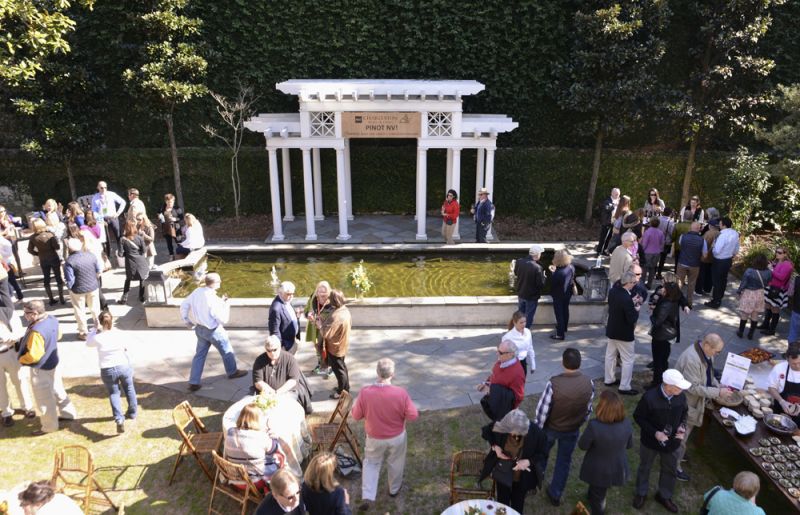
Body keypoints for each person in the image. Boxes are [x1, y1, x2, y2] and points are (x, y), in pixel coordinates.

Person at [352, 358, 418, 510]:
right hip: (397, 437)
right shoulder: (401, 393)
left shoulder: (365, 392)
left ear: (377, 372)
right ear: (392, 374)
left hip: (374, 437)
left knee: (371, 464)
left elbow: (355, 416)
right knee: (396, 462)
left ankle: (368, 494)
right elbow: (413, 416)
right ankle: (393, 490)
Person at [534, 347, 594, 507]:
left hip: (551, 429)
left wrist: (539, 429)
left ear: (563, 362)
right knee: (564, 461)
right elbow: (588, 409)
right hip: (572, 429)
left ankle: (535, 481)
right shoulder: (589, 382)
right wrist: (580, 423)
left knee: (541, 455)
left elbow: (542, 410)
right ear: (580, 363)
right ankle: (556, 492)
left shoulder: (554, 383)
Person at [674, 334, 731, 481]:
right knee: (682, 432)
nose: (717, 354)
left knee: (684, 433)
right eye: (717, 351)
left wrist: (719, 385)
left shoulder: (706, 353)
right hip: (686, 402)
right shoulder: (692, 359)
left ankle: (679, 451)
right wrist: (717, 392)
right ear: (706, 345)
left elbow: (709, 375)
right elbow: (693, 387)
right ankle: (674, 466)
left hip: (694, 401)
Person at [632, 369, 690, 513]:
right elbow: (638, 417)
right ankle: (641, 492)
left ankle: (664, 495)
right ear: (667, 385)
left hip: (672, 443)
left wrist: (682, 428)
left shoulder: (680, 397)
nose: (681, 389)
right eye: (678, 386)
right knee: (645, 467)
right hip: (650, 442)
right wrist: (655, 433)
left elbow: (684, 413)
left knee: (670, 469)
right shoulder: (649, 398)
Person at [179, 272, 248, 391]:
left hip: (200, 329)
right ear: (215, 283)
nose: (220, 283)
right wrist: (226, 304)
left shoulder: (197, 292)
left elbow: (184, 305)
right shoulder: (213, 299)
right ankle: (232, 372)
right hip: (213, 331)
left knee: (199, 355)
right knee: (227, 351)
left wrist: (187, 321)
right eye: (219, 281)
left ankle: (194, 381)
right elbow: (223, 319)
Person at [17, 300, 78, 435]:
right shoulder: (52, 319)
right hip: (53, 362)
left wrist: (21, 359)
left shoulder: (36, 331)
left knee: (44, 399)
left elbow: (34, 356)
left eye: (26, 313)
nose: (25, 316)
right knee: (58, 390)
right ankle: (68, 413)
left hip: (41, 369)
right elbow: (59, 335)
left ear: (34, 313)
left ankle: (49, 426)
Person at [478, 409, 547, 514]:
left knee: (517, 505)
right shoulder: (502, 425)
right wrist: (495, 446)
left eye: (517, 433)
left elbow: (543, 453)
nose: (513, 435)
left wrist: (528, 461)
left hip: (521, 477)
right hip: (503, 472)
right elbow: (486, 431)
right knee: (502, 503)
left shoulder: (537, 433)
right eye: (510, 431)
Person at [578, 390, 633, 515]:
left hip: (598, 469)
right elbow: (629, 445)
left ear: (602, 408)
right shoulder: (627, 424)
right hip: (617, 466)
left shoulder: (594, 426)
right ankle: (591, 496)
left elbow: (582, 446)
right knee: (597, 491)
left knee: (599, 498)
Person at [86, 311, 137, 434]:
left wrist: (94, 329)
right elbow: (127, 347)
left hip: (107, 369)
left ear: (99, 321)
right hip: (123, 365)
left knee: (114, 393)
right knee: (129, 388)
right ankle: (133, 412)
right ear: (112, 320)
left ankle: (119, 419)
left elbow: (88, 343)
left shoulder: (97, 337)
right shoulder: (119, 334)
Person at [224, 403, 283, 493]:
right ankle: (270, 488)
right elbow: (274, 447)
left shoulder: (230, 432)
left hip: (234, 478)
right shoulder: (259, 437)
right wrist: (271, 432)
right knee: (279, 457)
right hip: (255, 482)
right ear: (257, 420)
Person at [251, 335, 313, 414]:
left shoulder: (290, 358)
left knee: (282, 409)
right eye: (269, 350)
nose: (272, 353)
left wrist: (278, 393)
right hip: (265, 393)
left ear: (280, 347)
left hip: (287, 392)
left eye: (274, 350)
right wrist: (271, 392)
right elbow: (258, 382)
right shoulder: (259, 360)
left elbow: (293, 380)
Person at [0, 288, 34, 426]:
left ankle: (27, 406)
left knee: (20, 381)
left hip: (10, 352)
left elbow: (21, 333)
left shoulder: (9, 313)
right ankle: (6, 412)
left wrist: (8, 338)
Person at [605, 271, 642, 395]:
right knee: (628, 360)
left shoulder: (613, 291)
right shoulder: (626, 298)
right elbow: (632, 319)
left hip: (612, 329)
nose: (634, 285)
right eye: (634, 283)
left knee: (610, 356)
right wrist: (636, 309)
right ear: (629, 283)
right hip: (624, 334)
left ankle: (609, 379)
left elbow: (615, 306)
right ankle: (624, 386)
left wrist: (630, 304)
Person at [477, 339, 525, 421]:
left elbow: (518, 397)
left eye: (500, 353)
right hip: (495, 401)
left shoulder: (517, 374)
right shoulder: (501, 361)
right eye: (498, 350)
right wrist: (485, 384)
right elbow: (494, 375)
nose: (497, 354)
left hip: (505, 412)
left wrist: (492, 390)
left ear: (511, 354)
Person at [63, 238, 101, 341]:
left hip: (78, 289)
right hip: (93, 286)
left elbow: (70, 280)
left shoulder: (69, 261)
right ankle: (99, 326)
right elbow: (98, 271)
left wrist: (69, 288)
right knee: (95, 308)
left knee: (80, 310)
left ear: (69, 249)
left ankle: (83, 332)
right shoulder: (91, 256)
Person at [649, 282, 682, 388]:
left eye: (664, 288)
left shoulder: (666, 304)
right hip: (668, 334)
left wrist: (652, 316)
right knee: (663, 359)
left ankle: (656, 383)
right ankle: (663, 380)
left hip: (661, 336)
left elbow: (658, 321)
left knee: (658, 361)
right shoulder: (674, 301)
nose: (662, 289)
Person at [27, 218, 65, 306]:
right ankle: (62, 298)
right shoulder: (49, 235)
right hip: (53, 257)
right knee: (58, 277)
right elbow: (57, 247)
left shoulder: (33, 237)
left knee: (46, 279)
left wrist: (38, 253)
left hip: (43, 259)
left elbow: (30, 250)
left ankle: (51, 299)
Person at [321, 289, 351, 399]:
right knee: (342, 367)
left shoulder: (336, 316)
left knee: (339, 371)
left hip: (336, 347)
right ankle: (346, 387)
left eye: (330, 298)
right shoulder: (344, 310)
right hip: (343, 344)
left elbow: (326, 334)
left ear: (333, 300)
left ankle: (341, 392)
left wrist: (320, 324)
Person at [706, 217, 739, 309]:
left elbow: (717, 250)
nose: (719, 225)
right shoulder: (735, 233)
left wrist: (713, 250)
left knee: (717, 281)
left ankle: (715, 301)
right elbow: (736, 248)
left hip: (719, 260)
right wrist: (732, 253)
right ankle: (719, 297)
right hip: (728, 259)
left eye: (720, 223)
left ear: (723, 225)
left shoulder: (722, 235)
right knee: (723, 280)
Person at [735, 253, 771, 339]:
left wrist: (739, 292)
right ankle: (751, 334)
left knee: (744, 314)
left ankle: (741, 331)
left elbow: (744, 283)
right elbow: (767, 283)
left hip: (749, 293)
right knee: (755, 314)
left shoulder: (749, 271)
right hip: (760, 293)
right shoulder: (768, 272)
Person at [761, 245, 794, 336]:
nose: (777, 254)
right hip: (771, 287)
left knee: (775, 309)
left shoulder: (787, 265)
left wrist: (772, 269)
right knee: (767, 305)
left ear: (785, 254)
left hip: (778, 290)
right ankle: (765, 324)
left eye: (779, 253)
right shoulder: (777, 261)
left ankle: (772, 329)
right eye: (776, 252)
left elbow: (781, 277)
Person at [767, 342, 800, 427]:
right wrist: (781, 401)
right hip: (779, 413)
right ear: (787, 360)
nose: (797, 366)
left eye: (799, 362)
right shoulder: (780, 368)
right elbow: (771, 387)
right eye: (793, 364)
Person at [305, 280, 334, 377]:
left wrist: (322, 319)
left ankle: (329, 366)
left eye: (324, 294)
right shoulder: (313, 297)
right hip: (315, 328)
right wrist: (308, 314)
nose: (321, 296)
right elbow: (306, 310)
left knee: (328, 347)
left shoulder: (332, 300)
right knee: (317, 346)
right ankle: (320, 364)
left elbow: (336, 315)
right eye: (319, 293)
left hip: (326, 329)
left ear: (329, 293)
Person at [675, 220, 707, 309]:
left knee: (679, 282)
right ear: (699, 229)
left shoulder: (683, 237)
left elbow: (681, 245)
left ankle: (676, 300)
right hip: (695, 265)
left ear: (691, 228)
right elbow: (705, 255)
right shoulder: (702, 240)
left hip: (682, 263)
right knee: (691, 284)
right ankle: (689, 303)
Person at [513, 244, 545, 328]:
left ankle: (518, 329)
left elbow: (516, 273)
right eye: (540, 253)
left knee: (520, 314)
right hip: (531, 296)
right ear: (537, 254)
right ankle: (525, 333)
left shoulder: (519, 261)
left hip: (521, 293)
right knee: (528, 317)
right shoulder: (537, 267)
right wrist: (544, 277)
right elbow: (540, 285)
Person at [118, 219, 149, 304]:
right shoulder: (139, 238)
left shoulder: (122, 240)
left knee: (128, 279)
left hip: (130, 263)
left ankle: (124, 298)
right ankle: (141, 297)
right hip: (141, 261)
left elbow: (120, 254)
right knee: (142, 278)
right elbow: (144, 250)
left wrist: (127, 254)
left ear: (125, 228)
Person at [91, 181, 126, 253]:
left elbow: (123, 202)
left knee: (118, 235)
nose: (103, 189)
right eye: (101, 188)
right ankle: (108, 253)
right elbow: (94, 211)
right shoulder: (95, 197)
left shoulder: (111, 194)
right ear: (98, 188)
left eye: (105, 187)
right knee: (105, 237)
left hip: (113, 217)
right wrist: (100, 219)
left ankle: (121, 251)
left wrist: (118, 213)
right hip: (102, 219)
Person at [549, 249, 575, 341]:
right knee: (565, 310)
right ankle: (564, 327)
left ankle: (560, 334)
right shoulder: (571, 267)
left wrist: (552, 272)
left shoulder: (558, 273)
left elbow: (553, 284)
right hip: (567, 293)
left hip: (558, 296)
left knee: (559, 314)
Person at [18, 479, 84, 515]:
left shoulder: (43, 512)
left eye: (24, 504)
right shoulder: (61, 497)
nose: (22, 508)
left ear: (37, 503)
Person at [268, 281, 300, 353]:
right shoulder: (276, 309)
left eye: (292, 294)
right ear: (280, 293)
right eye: (288, 294)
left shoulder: (287, 300)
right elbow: (274, 332)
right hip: (286, 347)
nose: (291, 296)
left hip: (293, 341)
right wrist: (281, 349)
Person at [503, 311, 535, 377]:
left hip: (523, 362)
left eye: (525, 322)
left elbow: (530, 348)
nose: (524, 324)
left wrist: (533, 364)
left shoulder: (528, 332)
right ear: (514, 323)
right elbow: (503, 355)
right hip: (512, 364)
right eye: (521, 322)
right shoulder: (507, 337)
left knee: (522, 383)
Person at [696, 218, 720, 296]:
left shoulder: (708, 234)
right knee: (710, 274)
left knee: (701, 273)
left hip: (705, 257)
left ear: (710, 226)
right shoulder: (720, 234)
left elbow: (702, 244)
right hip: (714, 258)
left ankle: (698, 290)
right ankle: (707, 289)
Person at [640, 218, 665, 289]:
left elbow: (644, 244)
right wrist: (659, 250)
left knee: (644, 268)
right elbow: (662, 243)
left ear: (650, 223)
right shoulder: (661, 232)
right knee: (652, 269)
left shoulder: (647, 232)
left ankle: (642, 283)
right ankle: (649, 284)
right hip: (656, 253)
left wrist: (641, 251)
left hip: (647, 252)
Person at [159, 193, 184, 260]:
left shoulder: (177, 208)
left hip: (176, 228)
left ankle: (182, 254)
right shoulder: (162, 207)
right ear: (165, 201)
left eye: (172, 201)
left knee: (179, 241)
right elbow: (159, 214)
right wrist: (161, 218)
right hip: (166, 227)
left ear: (173, 201)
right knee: (169, 242)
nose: (170, 203)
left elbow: (181, 217)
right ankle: (171, 255)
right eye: (168, 202)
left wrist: (175, 219)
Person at [597, 187, 620, 254]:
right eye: (616, 193)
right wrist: (614, 205)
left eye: (618, 194)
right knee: (603, 237)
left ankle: (605, 250)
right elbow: (607, 208)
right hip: (607, 222)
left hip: (615, 222)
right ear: (612, 193)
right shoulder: (607, 200)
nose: (617, 195)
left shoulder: (619, 201)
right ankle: (599, 251)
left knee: (609, 238)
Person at [655, 207, 675, 279]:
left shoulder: (658, 218)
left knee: (656, 257)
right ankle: (659, 273)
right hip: (666, 242)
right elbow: (672, 232)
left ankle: (653, 272)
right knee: (662, 259)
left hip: (657, 240)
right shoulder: (670, 222)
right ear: (670, 213)